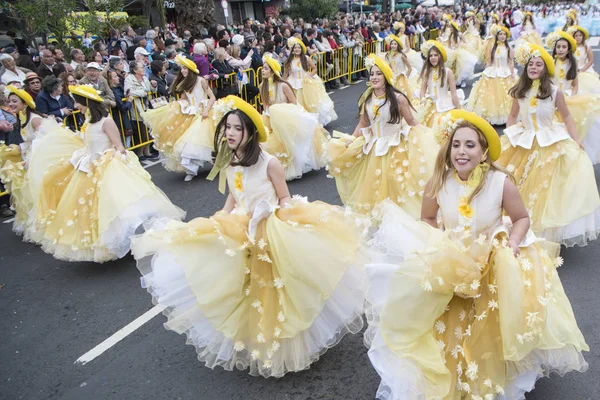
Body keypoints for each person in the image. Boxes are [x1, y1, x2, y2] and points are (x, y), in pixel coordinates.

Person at [130, 95, 367, 378]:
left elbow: (284, 198)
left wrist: (281, 221)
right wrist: (223, 214)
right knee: (239, 285)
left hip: (268, 227)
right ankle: (251, 337)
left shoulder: (270, 164)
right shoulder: (230, 160)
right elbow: (234, 192)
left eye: (237, 128)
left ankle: (282, 343)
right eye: (227, 127)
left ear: (250, 133)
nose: (230, 133)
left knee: (273, 290)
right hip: (240, 226)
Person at [364, 109, 589, 400]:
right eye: (456, 144)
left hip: (492, 261)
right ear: (448, 149)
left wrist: (515, 241)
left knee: (490, 321)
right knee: (449, 321)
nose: (461, 151)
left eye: (470, 145)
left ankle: (495, 369)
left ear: (483, 152)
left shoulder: (500, 182)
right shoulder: (438, 183)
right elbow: (428, 219)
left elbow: (521, 217)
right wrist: (435, 242)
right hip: (454, 260)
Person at [27, 85, 184, 262]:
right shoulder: (87, 121)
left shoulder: (106, 121)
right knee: (96, 208)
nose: (76, 106)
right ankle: (114, 242)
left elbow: (118, 146)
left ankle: (136, 237)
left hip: (108, 167)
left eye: (78, 102)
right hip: (90, 167)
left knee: (119, 205)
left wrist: (113, 158)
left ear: (87, 102)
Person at [495, 43, 600, 247]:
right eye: (531, 65)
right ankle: (517, 225)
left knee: (546, 188)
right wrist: (509, 134)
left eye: (539, 65)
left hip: (548, 141)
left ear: (545, 69)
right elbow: (513, 115)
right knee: (518, 183)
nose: (534, 68)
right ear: (525, 68)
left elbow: (567, 116)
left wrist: (577, 139)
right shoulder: (519, 91)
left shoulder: (554, 91)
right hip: (524, 140)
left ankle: (542, 232)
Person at [327, 54, 437, 218]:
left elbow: (411, 120)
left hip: (395, 148)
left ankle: (397, 218)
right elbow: (363, 124)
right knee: (373, 186)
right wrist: (352, 138)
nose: (374, 77)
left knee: (395, 184)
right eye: (372, 74)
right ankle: (380, 217)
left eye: (378, 73)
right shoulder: (367, 99)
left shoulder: (398, 99)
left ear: (385, 76)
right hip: (374, 148)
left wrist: (427, 135)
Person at [142, 54, 216, 181]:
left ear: (191, 69)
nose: (183, 71)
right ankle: (191, 170)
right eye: (182, 69)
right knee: (187, 142)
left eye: (185, 68)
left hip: (203, 113)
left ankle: (212, 162)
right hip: (191, 113)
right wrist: (176, 105)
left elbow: (212, 97)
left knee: (205, 141)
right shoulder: (185, 83)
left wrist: (206, 110)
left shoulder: (201, 80)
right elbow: (185, 98)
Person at [260, 56, 328, 180]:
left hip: (288, 117)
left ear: (272, 70)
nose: (262, 71)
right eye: (262, 68)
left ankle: (294, 168)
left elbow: (293, 102)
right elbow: (265, 106)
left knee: (290, 142)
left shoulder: (283, 86)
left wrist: (281, 112)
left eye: (265, 68)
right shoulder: (262, 86)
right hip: (271, 118)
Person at [545, 31, 600, 164]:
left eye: (564, 47)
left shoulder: (572, 64)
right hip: (553, 97)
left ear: (568, 49)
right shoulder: (551, 62)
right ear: (555, 48)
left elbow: (575, 85)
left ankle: (573, 151)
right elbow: (548, 81)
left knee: (573, 125)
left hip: (569, 97)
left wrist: (571, 95)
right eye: (558, 47)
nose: (561, 49)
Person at [467, 26, 516, 125]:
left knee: (505, 96)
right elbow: (489, 61)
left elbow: (511, 62)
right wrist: (485, 72)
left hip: (504, 72)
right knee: (490, 96)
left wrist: (512, 74)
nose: (502, 36)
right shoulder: (493, 48)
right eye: (500, 34)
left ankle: (504, 117)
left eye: (504, 34)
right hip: (493, 72)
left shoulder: (508, 48)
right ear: (497, 36)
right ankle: (491, 116)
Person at [283, 37, 337, 126]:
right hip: (293, 84)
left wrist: (309, 75)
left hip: (306, 83)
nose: (297, 49)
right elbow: (285, 75)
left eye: (299, 48)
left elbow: (314, 68)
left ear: (301, 49)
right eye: (295, 48)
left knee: (310, 104)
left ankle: (311, 122)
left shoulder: (306, 58)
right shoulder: (289, 61)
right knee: (296, 104)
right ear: (292, 49)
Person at [416, 41, 462, 132]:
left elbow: (454, 94)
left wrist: (460, 111)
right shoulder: (426, 72)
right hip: (430, 106)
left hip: (445, 106)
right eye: (430, 56)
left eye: (435, 55)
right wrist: (423, 100)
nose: (433, 58)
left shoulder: (448, 72)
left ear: (440, 56)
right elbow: (422, 91)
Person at [568, 26, 600, 95]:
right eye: (576, 36)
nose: (578, 37)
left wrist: (582, 70)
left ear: (583, 37)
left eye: (580, 35)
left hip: (584, 69)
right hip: (573, 70)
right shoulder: (571, 47)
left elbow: (590, 61)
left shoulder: (587, 47)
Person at [384, 34, 416, 99]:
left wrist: (405, 77)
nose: (393, 45)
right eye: (392, 44)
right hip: (393, 78)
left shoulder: (401, 56)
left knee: (401, 96)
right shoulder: (388, 55)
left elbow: (409, 68)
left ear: (398, 45)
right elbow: (390, 67)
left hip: (402, 78)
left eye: (395, 44)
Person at [107, 69, 133, 148]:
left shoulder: (119, 88)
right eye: (115, 77)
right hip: (119, 118)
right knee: (123, 140)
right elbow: (122, 107)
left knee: (127, 138)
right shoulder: (114, 92)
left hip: (124, 117)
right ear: (110, 80)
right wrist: (129, 101)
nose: (118, 78)